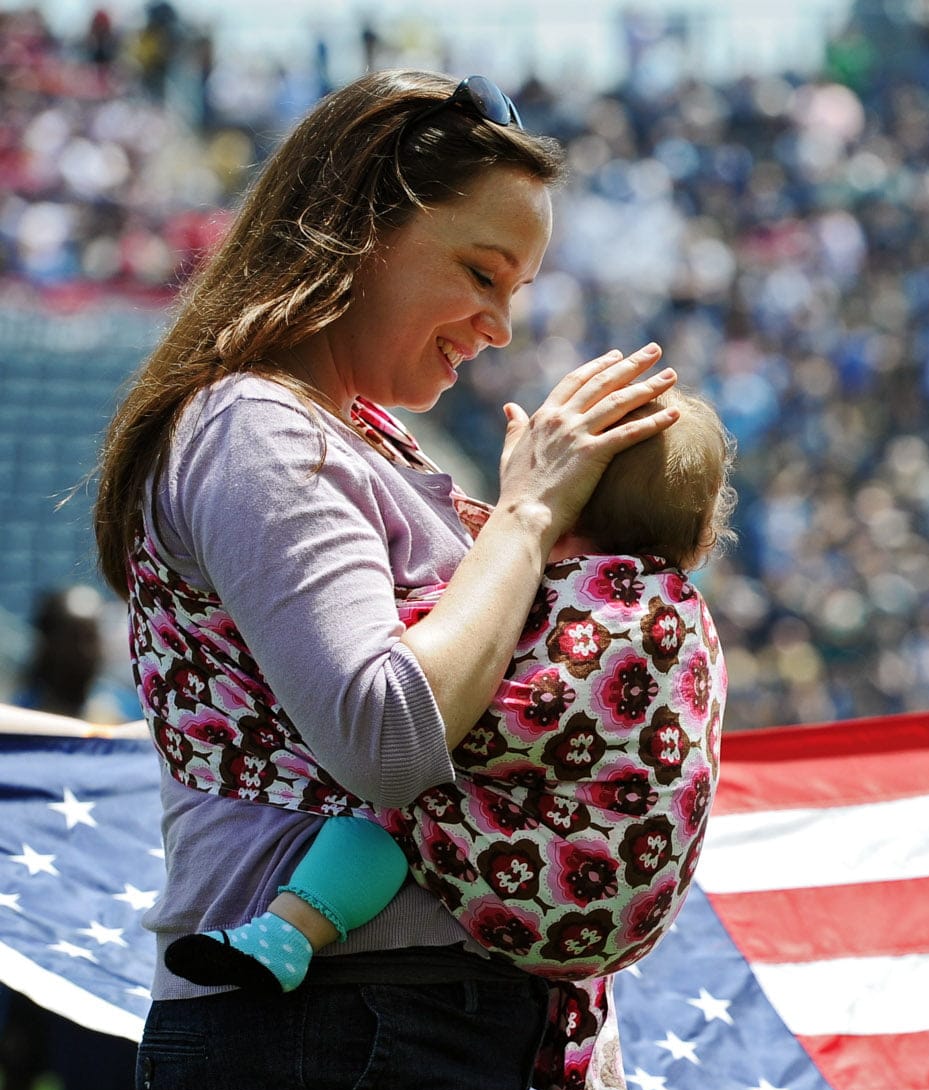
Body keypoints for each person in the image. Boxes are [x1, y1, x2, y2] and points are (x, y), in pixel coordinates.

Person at [92, 70, 675, 1090]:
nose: (498, 325)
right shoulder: (255, 425)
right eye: (478, 270)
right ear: (357, 225)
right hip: (332, 1041)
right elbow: (388, 739)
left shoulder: (353, 437)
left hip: (388, 1042)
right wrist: (527, 514)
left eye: (513, 288)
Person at [162, 386, 733, 995]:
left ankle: (290, 933)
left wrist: (495, 542)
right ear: (702, 541)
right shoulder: (684, 616)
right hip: (632, 904)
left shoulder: (577, 599)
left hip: (560, 890)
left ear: (566, 498)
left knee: (402, 783)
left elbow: (457, 706)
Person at [5, 587, 188, 1090]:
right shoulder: (20, 734)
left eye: (90, 637)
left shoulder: (120, 725)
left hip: (100, 964)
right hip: (20, 981)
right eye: (70, 637)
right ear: (43, 641)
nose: (82, 650)